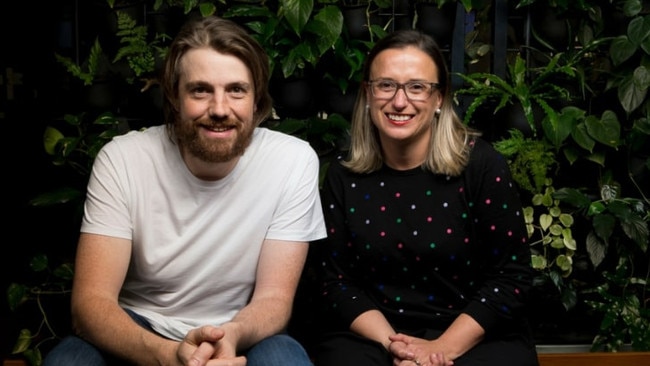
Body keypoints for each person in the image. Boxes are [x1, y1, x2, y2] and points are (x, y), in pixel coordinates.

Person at [44, 15, 326, 366]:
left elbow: (274, 300)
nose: (220, 109)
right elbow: (91, 304)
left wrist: (231, 336)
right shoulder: (123, 159)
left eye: (236, 90)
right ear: (175, 97)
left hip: (240, 330)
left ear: (257, 100)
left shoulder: (292, 161)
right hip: (139, 327)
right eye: (200, 90)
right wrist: (167, 356)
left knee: (285, 359)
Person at [311, 29, 539, 366]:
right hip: (376, 334)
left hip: (473, 332)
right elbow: (336, 282)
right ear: (368, 94)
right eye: (386, 85)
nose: (399, 101)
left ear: (440, 99)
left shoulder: (482, 165)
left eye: (417, 87)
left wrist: (440, 349)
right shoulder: (344, 176)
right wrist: (397, 347)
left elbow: (511, 278)